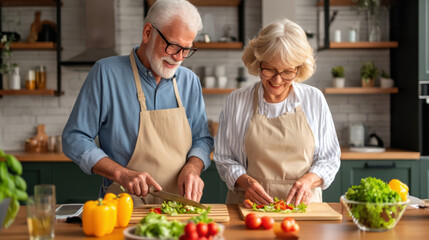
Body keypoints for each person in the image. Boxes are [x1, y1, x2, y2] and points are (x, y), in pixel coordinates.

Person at [62, 0, 213, 205]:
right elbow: (75, 138)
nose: (179, 58)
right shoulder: (106, 74)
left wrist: (193, 167)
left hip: (177, 209)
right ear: (148, 33)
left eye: (187, 50)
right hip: (122, 206)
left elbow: (202, 139)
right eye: (173, 46)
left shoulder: (190, 81)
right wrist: (121, 173)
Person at [214, 18, 341, 206]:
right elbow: (224, 158)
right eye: (269, 70)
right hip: (250, 209)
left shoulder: (314, 99)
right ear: (258, 63)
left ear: (299, 68)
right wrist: (246, 182)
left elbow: (329, 159)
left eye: (288, 72)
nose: (277, 80)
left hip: (304, 209)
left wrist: (309, 180)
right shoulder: (237, 101)